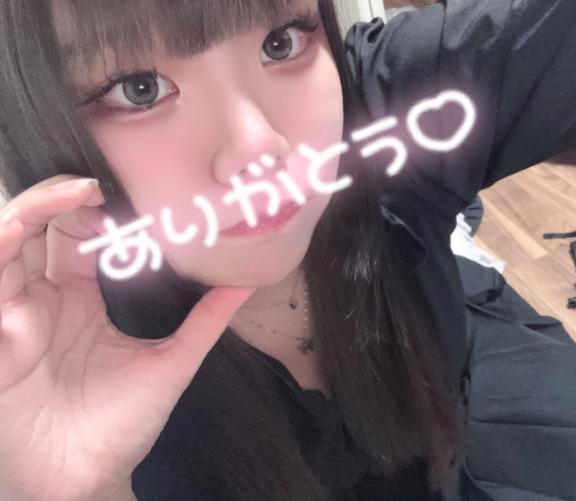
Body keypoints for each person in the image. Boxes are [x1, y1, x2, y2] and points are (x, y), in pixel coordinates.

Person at [0, 0, 574, 500]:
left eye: (281, 41)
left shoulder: (391, 115)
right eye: (139, 88)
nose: (259, 150)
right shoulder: (55, 357)